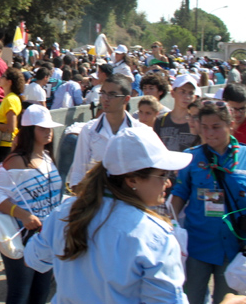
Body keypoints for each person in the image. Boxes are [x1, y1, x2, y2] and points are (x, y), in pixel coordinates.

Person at [24, 126, 193, 303]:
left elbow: (33, 258)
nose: (167, 183)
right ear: (132, 180)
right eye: (162, 175)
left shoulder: (66, 211)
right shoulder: (155, 236)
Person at [171, 101, 246, 304]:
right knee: (191, 298)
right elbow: (180, 193)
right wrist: (168, 223)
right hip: (198, 244)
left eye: (216, 127)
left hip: (235, 246)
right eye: (204, 127)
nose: (209, 133)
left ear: (230, 124)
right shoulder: (191, 157)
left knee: (227, 299)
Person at [0, 104, 62, 304]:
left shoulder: (46, 157)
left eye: (50, 128)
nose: (48, 132)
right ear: (30, 130)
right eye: (42, 128)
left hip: (47, 237)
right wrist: (22, 214)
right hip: (24, 238)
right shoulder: (16, 160)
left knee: (40, 294)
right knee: (20, 295)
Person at [154, 74, 199, 152]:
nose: (187, 97)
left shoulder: (197, 123)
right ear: (172, 93)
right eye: (182, 92)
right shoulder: (161, 121)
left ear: (195, 97)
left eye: (191, 93)